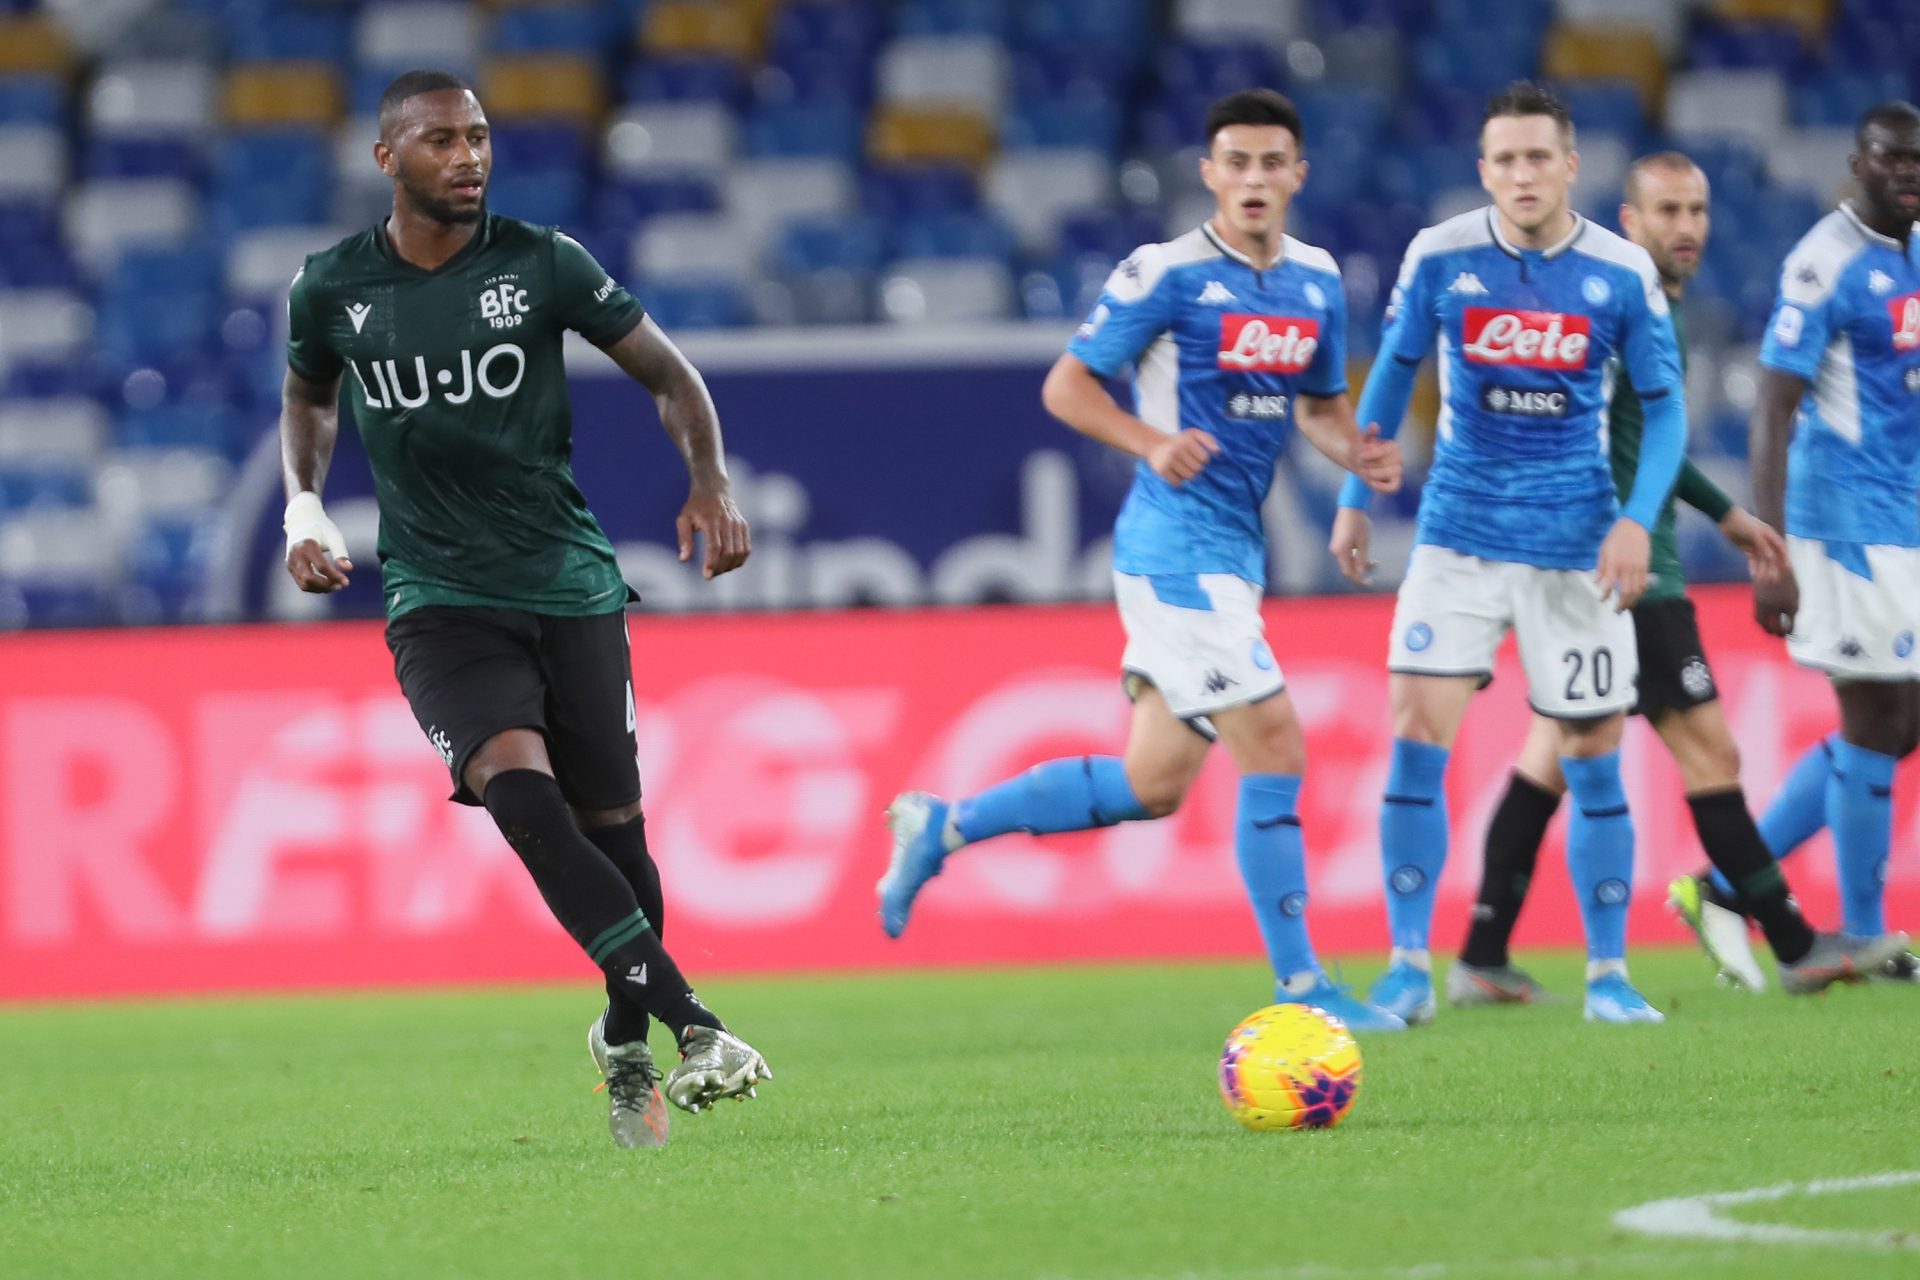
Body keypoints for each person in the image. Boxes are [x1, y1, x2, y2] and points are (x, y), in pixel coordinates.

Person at [277, 70, 770, 1149]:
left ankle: (624, 1037)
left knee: (620, 845)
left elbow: (671, 375)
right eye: (441, 140)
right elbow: (310, 394)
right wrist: (304, 504)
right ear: (387, 158)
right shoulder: (331, 287)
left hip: (569, 585)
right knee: (520, 795)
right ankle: (697, 1026)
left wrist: (711, 481)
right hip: (439, 597)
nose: (468, 157)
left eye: (479, 136)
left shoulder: (544, 263)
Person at [875, 88, 1409, 1032]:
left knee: (1151, 785)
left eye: (1270, 162)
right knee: (1276, 742)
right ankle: (1304, 987)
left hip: (1234, 553)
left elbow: (1320, 406)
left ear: (1298, 174)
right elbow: (1066, 387)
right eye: (1236, 162)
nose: (1253, 178)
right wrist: (1150, 442)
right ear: (1209, 174)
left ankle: (942, 826)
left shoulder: (1317, 280)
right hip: (1172, 548)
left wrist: (1354, 455)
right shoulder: (1165, 273)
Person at [1444, 152, 1909, 1003]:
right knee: (1710, 753)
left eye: (1696, 210)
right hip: (1629, 569)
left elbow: (1642, 436)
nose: (1686, 227)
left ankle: (1481, 954)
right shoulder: (1628, 303)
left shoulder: (1647, 303)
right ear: (1630, 220)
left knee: (1550, 756)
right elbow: (1583, 429)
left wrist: (1723, 513)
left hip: (1590, 563)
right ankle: (1798, 944)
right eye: (1667, 211)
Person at [1329, 82, 1688, 1026]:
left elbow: (1667, 408)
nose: (1523, 175)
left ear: (1571, 166)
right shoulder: (1441, 254)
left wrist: (1638, 518)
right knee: (1416, 742)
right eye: (1506, 160)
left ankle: (1608, 977)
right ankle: (1407, 968)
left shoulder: (1620, 271)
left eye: (1539, 157)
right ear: (1483, 170)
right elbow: (1393, 370)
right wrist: (1355, 497)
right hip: (1459, 540)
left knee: (1594, 759)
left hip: (1577, 549)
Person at [1729, 100, 1920, 983]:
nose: (1907, 171)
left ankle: (1727, 882)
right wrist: (1769, 549)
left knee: (1903, 723)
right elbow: (1772, 407)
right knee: (1877, 718)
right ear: (1858, 162)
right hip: (1841, 519)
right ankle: (1864, 933)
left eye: (1917, 159)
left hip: (1903, 515)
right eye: (1890, 157)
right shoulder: (1823, 261)